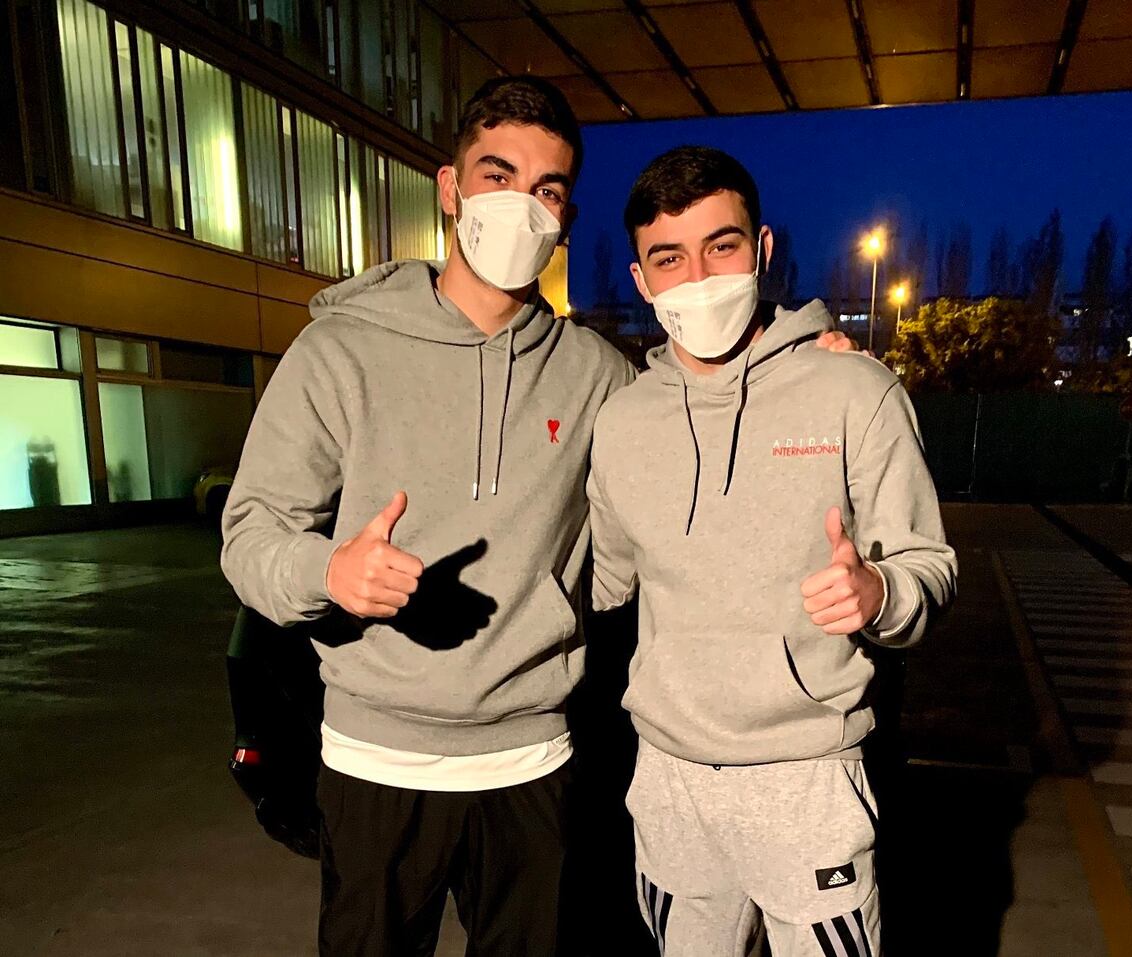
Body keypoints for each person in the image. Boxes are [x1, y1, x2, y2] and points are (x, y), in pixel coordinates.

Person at [222, 76, 853, 955]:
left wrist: (798, 360)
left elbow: (701, 397)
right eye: (498, 175)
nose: (521, 206)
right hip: (374, 761)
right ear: (451, 188)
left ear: (565, 216)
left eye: (547, 189)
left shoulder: (595, 373)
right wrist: (326, 571)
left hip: (532, 765)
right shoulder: (338, 350)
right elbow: (250, 532)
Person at [587, 145, 958, 956]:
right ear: (640, 279)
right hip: (670, 780)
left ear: (760, 249)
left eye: (720, 246)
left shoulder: (855, 390)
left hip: (808, 778)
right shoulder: (620, 421)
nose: (698, 277)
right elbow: (603, 582)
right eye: (669, 258)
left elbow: (929, 564)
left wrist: (878, 592)